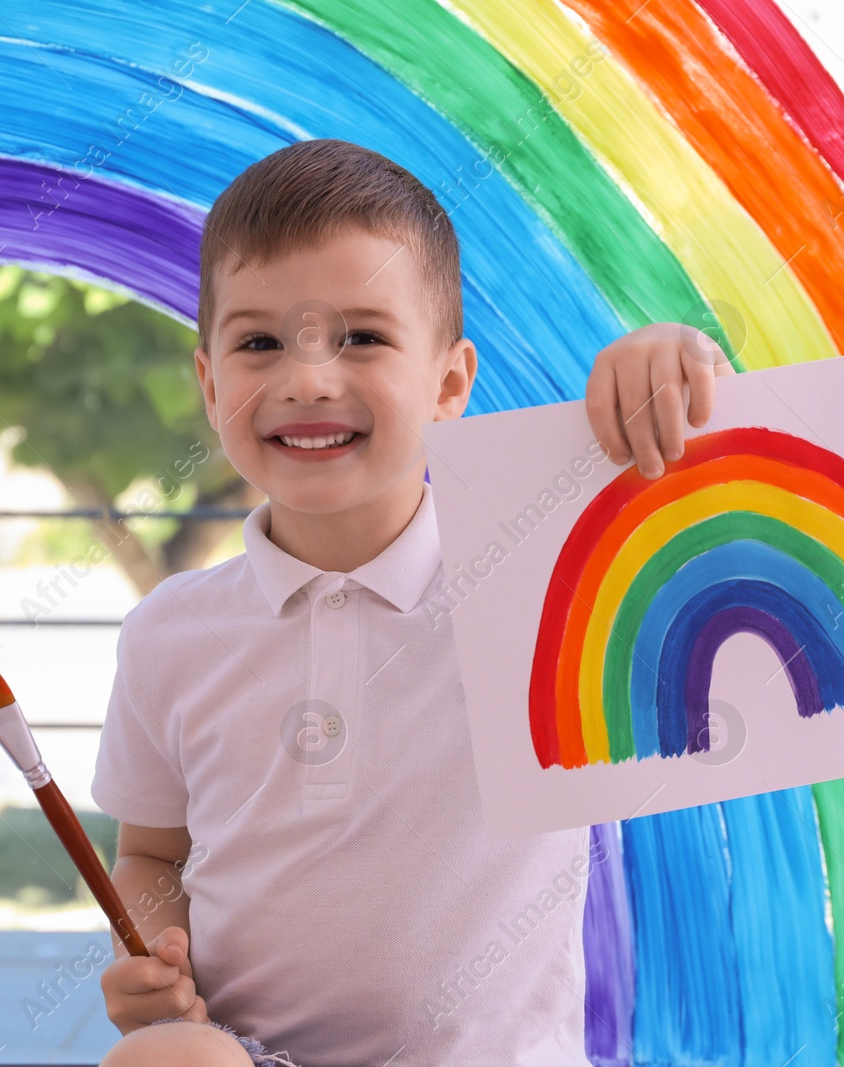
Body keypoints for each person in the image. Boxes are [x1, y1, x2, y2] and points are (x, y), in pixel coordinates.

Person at [93, 138, 733, 1067]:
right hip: (258, 1056)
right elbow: (150, 855)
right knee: (161, 1059)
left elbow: (703, 534)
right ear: (209, 382)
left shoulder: (540, 580)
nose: (307, 379)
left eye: (361, 336)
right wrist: (148, 948)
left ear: (450, 382)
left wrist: (677, 360)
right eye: (260, 342)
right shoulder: (170, 634)